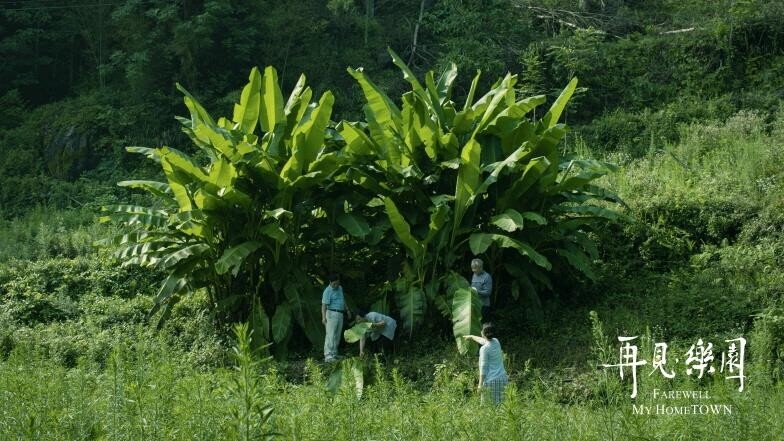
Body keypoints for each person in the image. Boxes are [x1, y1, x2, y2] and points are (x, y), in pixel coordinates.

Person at [463, 323, 508, 405]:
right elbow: (484, 341)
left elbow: (483, 368)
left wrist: (480, 385)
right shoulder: (496, 342)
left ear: (483, 333)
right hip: (502, 379)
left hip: (491, 382)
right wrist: (472, 337)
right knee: (502, 407)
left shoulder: (484, 349)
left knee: (488, 407)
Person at [321, 274, 352, 362]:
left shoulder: (340, 288)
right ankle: (328, 355)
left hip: (340, 313)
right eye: (334, 284)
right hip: (331, 313)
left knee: (337, 335)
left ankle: (334, 353)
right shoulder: (327, 291)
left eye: (337, 283)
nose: (336, 285)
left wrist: (347, 309)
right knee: (330, 334)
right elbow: (323, 306)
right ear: (330, 282)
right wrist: (323, 317)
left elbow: (343, 299)